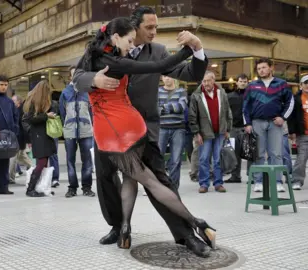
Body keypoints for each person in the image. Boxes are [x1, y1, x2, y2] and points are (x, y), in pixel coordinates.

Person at [73, 7, 211, 257]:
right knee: (106, 179)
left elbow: (189, 73)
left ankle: (186, 235)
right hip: (107, 128)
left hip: (143, 130)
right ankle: (118, 227)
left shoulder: (156, 51)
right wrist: (95, 80)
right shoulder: (100, 50)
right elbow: (77, 77)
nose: (154, 32)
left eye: (156, 27)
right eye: (150, 27)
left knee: (158, 180)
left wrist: (198, 49)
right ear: (132, 28)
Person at [243, 58, 294, 193]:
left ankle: (277, 182)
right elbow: (245, 106)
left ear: (271, 68)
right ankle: (258, 182)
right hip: (257, 123)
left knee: (276, 153)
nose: (261, 70)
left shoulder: (281, 84)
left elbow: (290, 102)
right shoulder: (252, 86)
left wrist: (283, 118)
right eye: (259, 69)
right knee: (258, 154)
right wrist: (247, 123)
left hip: (275, 123)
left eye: (264, 67)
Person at [189, 71, 231, 193]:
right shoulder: (196, 95)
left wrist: (228, 129)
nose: (206, 83)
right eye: (204, 81)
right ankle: (204, 184)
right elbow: (192, 116)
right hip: (204, 133)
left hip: (220, 131)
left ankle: (218, 183)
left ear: (213, 80)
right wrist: (196, 133)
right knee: (203, 158)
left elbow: (228, 111)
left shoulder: (221, 93)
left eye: (208, 80)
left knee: (218, 159)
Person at [59, 66, 95, 198]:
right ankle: (72, 188)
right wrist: (67, 126)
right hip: (70, 131)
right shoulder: (65, 93)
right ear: (70, 77)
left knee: (87, 161)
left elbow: (92, 112)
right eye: (73, 74)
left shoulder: (87, 92)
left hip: (86, 131)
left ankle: (87, 187)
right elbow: (62, 113)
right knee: (70, 160)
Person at [22, 80, 58, 197]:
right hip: (39, 136)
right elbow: (31, 119)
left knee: (44, 162)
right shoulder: (33, 102)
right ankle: (30, 188)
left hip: (44, 136)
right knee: (41, 163)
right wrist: (47, 116)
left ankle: (42, 186)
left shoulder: (39, 102)